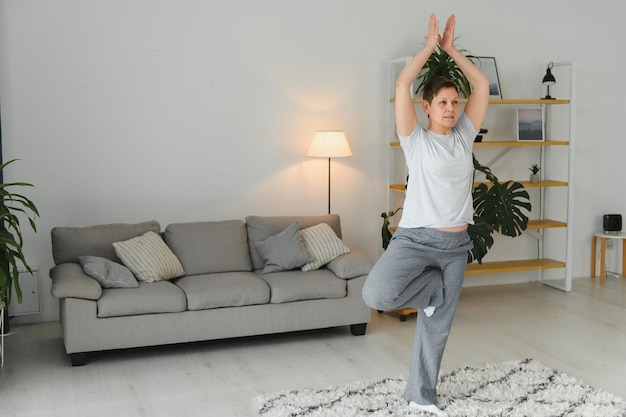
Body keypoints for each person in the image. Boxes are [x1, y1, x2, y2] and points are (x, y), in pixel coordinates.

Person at [362, 13, 490, 417]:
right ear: (427, 107)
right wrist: (431, 47)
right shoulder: (414, 141)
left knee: (437, 329)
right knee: (376, 293)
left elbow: (483, 85)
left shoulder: (465, 135)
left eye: (455, 102)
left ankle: (421, 397)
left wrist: (452, 51)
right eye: (443, 103)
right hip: (415, 239)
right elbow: (402, 83)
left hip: (455, 247)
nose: (451, 109)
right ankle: (433, 293)